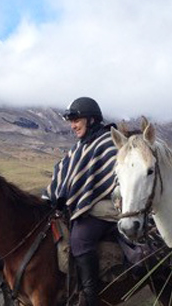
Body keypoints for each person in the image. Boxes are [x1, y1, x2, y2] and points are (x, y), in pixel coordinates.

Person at [42, 97, 119, 306]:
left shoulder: (107, 142)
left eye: (77, 120)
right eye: (71, 121)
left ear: (92, 120)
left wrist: (84, 198)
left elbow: (110, 180)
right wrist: (52, 197)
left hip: (104, 208)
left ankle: (90, 296)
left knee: (80, 240)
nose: (73, 126)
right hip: (82, 206)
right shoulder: (80, 146)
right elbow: (65, 172)